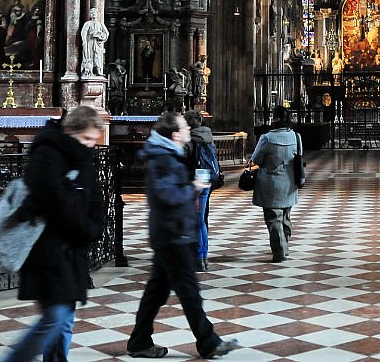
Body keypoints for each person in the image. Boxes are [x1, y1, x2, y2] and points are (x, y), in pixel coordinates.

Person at [127, 111, 238, 359]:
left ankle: (139, 341)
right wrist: (192, 188)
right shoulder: (163, 158)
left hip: (172, 232)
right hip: (172, 234)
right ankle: (208, 343)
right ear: (176, 134)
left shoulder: (167, 155)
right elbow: (166, 195)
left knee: (156, 292)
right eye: (185, 126)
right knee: (189, 292)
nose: (189, 128)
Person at [2, 105, 106, 362]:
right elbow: (58, 204)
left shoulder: (80, 157)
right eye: (87, 139)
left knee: (64, 320)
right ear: (71, 131)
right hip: (48, 252)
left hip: (70, 252)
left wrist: (93, 225)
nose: (91, 145)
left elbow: (95, 199)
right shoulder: (47, 156)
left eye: (94, 140)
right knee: (54, 318)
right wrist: (85, 226)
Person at [249, 105, 303, 263]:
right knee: (286, 215)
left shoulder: (267, 138)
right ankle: (285, 246)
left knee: (273, 217)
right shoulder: (295, 136)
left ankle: (279, 250)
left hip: (271, 182)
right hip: (290, 180)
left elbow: (256, 159)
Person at [184, 110, 221, 272]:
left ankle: (199, 257)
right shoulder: (208, 136)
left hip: (196, 181)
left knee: (197, 220)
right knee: (202, 218)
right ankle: (203, 254)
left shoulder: (190, 140)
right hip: (207, 179)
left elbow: (185, 163)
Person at [80, 8, 109, 77]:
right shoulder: (88, 23)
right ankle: (89, 71)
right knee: (89, 56)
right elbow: (83, 32)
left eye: (95, 12)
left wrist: (100, 37)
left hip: (97, 43)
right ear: (90, 15)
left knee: (98, 56)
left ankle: (98, 71)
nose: (93, 14)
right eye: (92, 13)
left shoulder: (100, 24)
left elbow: (106, 33)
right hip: (90, 41)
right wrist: (84, 40)